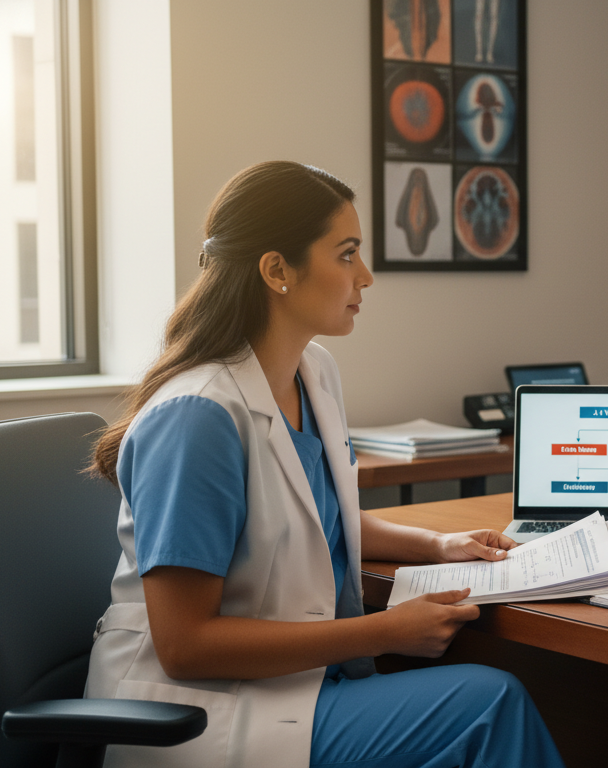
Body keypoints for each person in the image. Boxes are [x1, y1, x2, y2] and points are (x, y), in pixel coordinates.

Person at [84, 161, 566, 768]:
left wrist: (438, 545)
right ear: (277, 270)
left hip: (294, 684)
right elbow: (185, 645)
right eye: (347, 255)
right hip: (197, 711)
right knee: (487, 702)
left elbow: (317, 518)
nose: (365, 276)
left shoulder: (313, 373)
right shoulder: (198, 417)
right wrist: (381, 633)